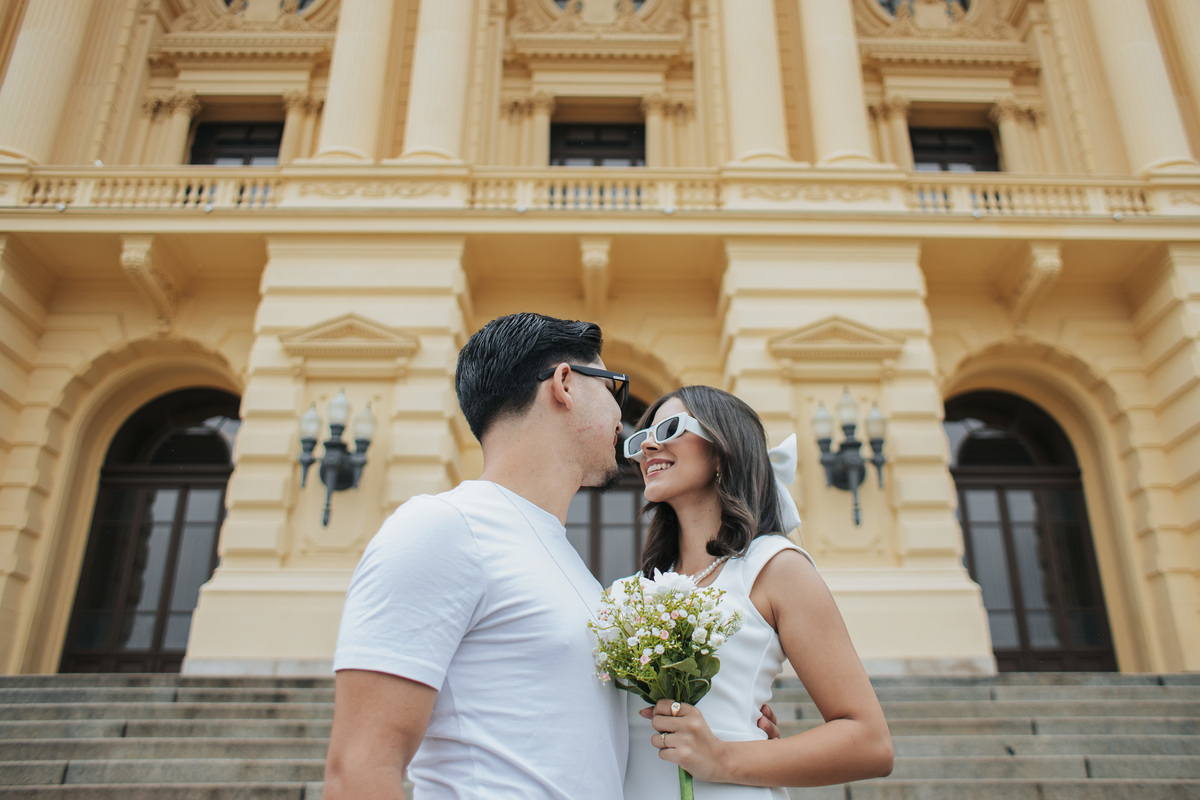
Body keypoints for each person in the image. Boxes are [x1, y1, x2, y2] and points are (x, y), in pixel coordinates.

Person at [323, 313, 635, 799]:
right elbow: (358, 770)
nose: (621, 414)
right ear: (565, 384)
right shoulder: (445, 528)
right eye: (612, 387)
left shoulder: (565, 560)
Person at [619, 386, 894, 799]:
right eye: (640, 438)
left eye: (669, 429)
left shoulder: (774, 567)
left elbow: (870, 743)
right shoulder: (631, 592)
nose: (647, 446)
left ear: (722, 449)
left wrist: (724, 758)